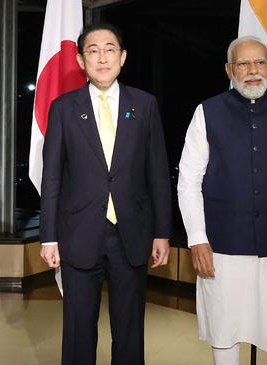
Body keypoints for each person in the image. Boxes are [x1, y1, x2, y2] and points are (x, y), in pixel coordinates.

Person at [39, 23, 172, 365]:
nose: (102, 57)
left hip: (132, 234)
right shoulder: (64, 108)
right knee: (78, 332)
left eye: (110, 49)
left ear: (123, 57)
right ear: (81, 60)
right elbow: (52, 177)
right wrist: (49, 237)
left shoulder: (144, 105)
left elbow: (157, 173)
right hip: (79, 235)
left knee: (129, 332)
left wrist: (161, 232)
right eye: (93, 51)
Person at [178, 36, 267, 365]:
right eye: (243, 63)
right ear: (229, 69)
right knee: (224, 330)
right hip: (222, 247)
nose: (252, 71)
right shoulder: (207, 112)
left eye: (260, 62)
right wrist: (197, 238)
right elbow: (188, 180)